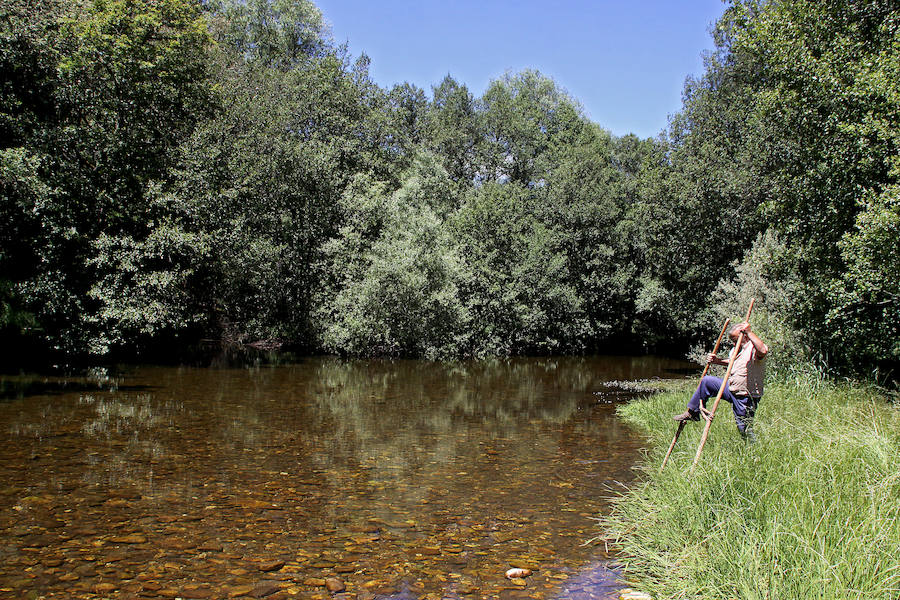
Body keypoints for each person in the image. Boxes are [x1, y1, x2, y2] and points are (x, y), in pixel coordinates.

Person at [673, 322, 768, 436]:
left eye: (735, 339)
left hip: (746, 396)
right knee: (707, 381)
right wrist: (717, 361)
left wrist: (749, 331)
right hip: (732, 388)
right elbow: (733, 362)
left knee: (744, 429)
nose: (733, 343)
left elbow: (763, 351)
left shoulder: (753, 349)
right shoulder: (737, 349)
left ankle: (753, 448)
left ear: (745, 336)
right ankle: (692, 412)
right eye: (732, 340)